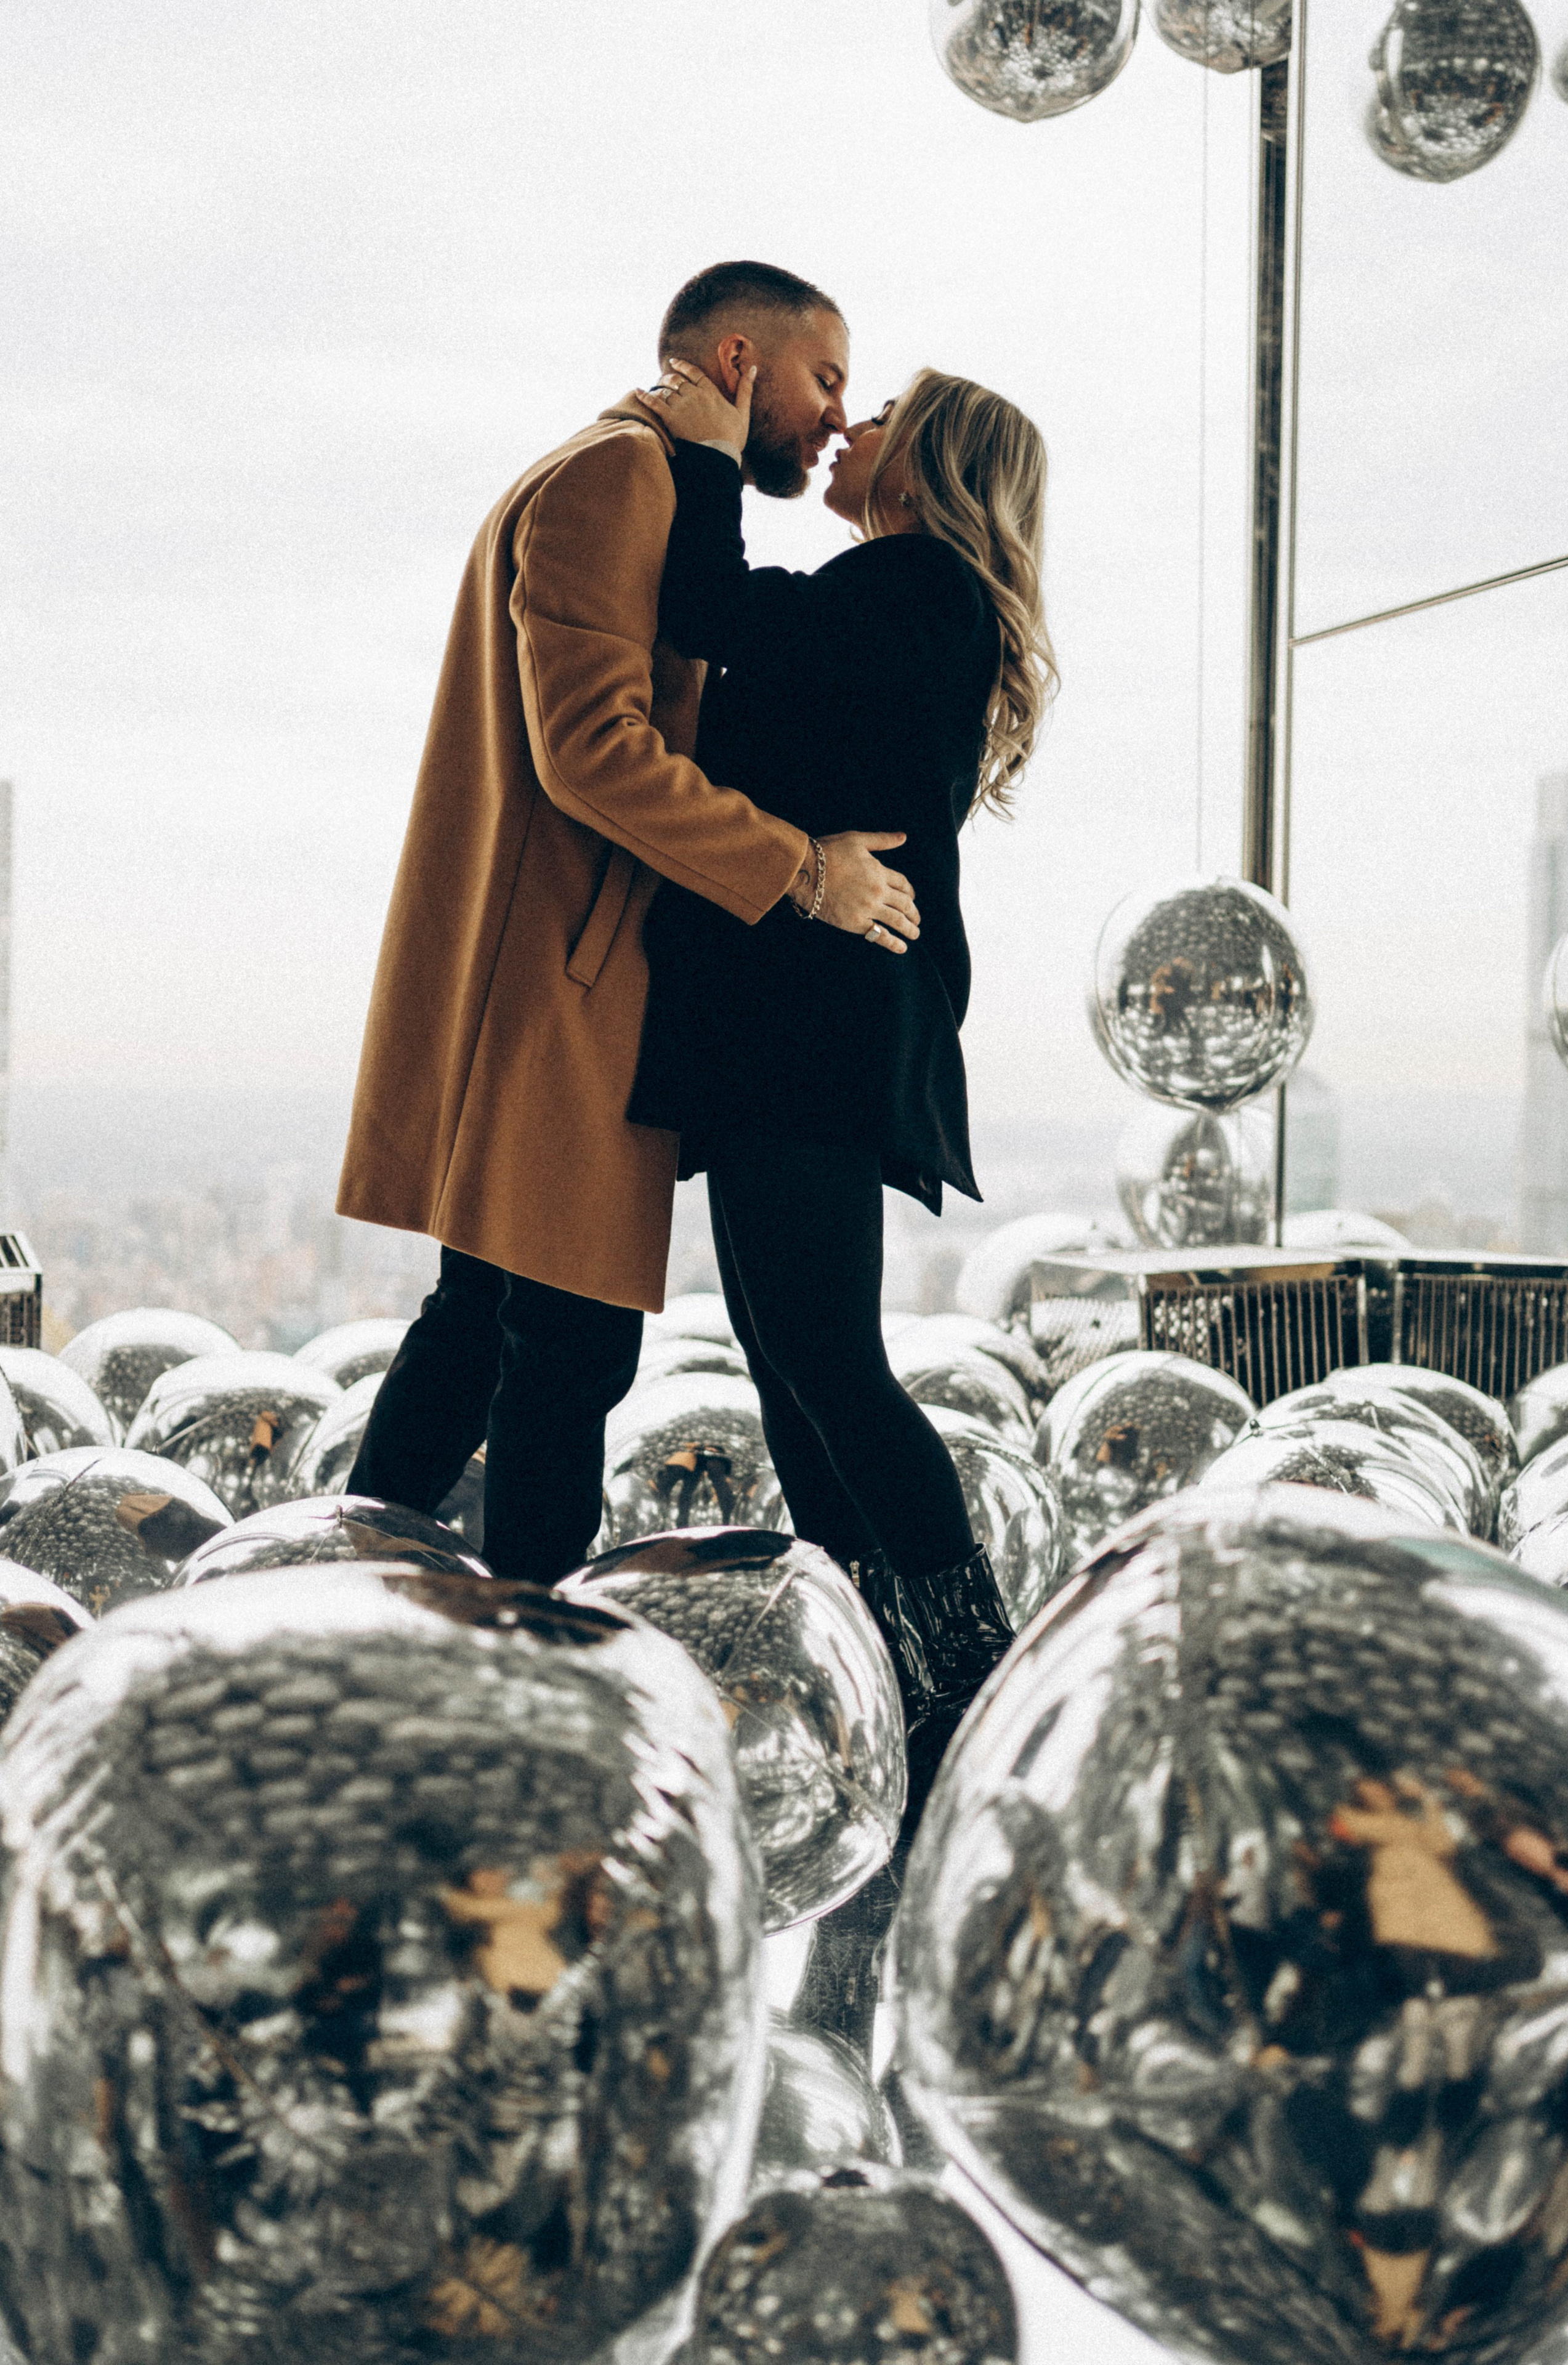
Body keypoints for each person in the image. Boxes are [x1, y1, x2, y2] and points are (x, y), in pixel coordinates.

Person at [336, 262, 923, 1585]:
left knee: (485, 1325)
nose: (836, 416)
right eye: (823, 378)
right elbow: (593, 750)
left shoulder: (633, 475)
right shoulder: (621, 478)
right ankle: (527, 1657)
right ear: (735, 363)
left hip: (562, 971)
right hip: (560, 983)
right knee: (561, 1350)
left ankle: (350, 1600)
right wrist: (799, 870)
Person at [628, 353, 1057, 1805]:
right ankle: (890, 1668)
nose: (847, 426)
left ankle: (972, 1690)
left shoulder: (915, 584)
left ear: (929, 462)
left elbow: (710, 611)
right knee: (794, 1362)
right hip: (801, 1016)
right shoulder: (910, 601)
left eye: (878, 416)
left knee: (828, 1366)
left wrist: (695, 451)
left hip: (809, 1022)